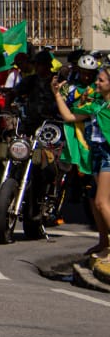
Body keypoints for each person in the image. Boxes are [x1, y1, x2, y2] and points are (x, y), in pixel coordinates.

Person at [51, 67, 110, 261]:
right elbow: (69, 117)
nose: (97, 83)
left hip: (108, 155)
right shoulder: (98, 105)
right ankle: (103, 242)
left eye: (101, 80)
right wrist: (57, 95)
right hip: (96, 155)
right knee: (94, 199)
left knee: (102, 201)